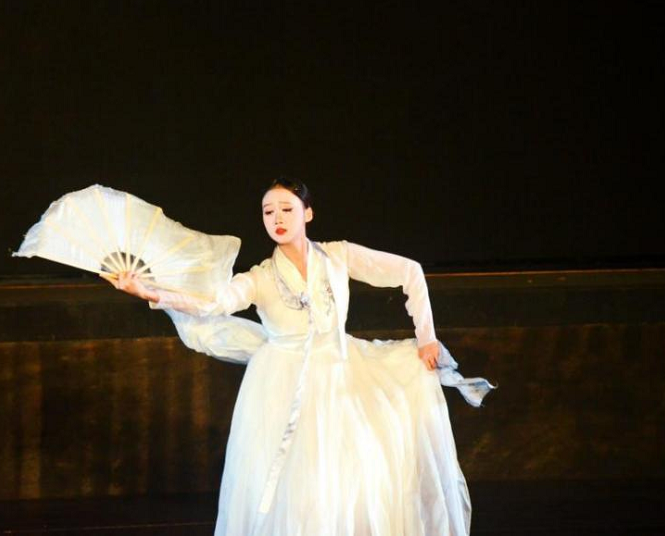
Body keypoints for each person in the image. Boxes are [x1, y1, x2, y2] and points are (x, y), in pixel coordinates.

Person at [103, 176, 488, 536]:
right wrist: (152, 293)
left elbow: (410, 271)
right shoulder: (260, 277)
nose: (277, 218)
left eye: (287, 209)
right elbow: (212, 303)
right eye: (268, 211)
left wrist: (427, 337)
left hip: (341, 373)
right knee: (296, 484)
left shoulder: (338, 256)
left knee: (349, 476)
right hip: (280, 385)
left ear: (308, 213)